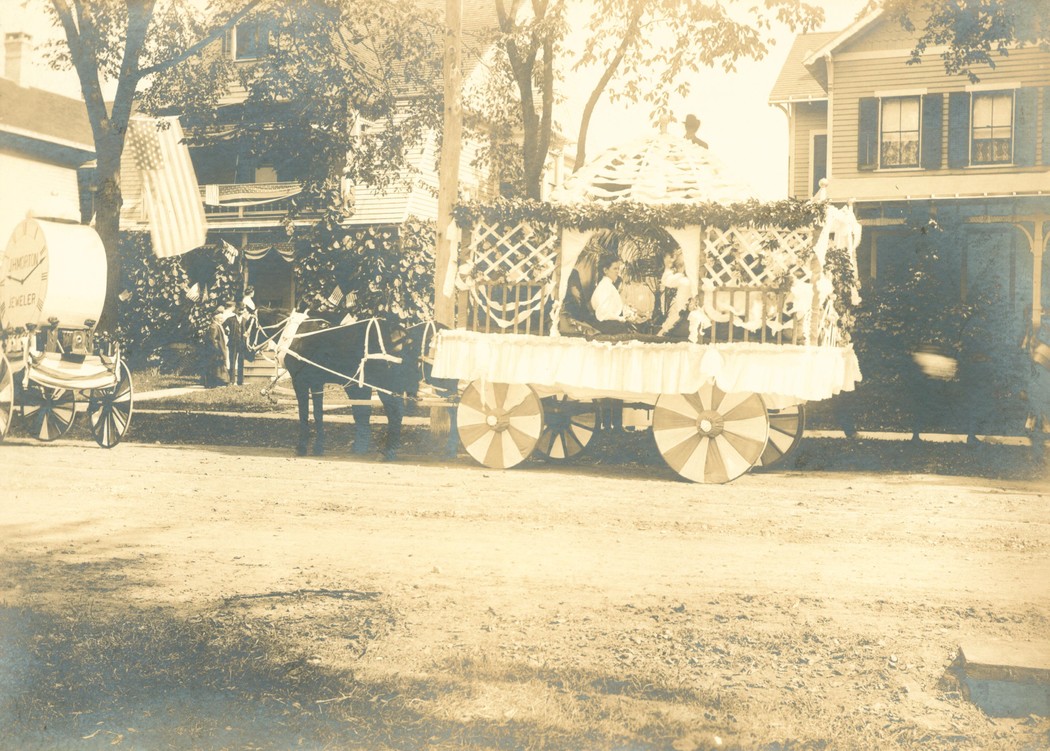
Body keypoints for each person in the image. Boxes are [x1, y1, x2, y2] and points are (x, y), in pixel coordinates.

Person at [590, 256, 639, 335]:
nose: (617, 272)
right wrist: (620, 319)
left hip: (611, 323)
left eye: (618, 269)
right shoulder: (605, 286)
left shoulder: (608, 285)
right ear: (605, 270)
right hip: (607, 325)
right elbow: (602, 314)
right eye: (615, 269)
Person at [658, 249, 691, 337]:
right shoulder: (686, 279)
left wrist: (668, 266)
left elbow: (666, 281)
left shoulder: (684, 280)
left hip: (681, 317)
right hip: (685, 315)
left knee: (664, 334)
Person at [203, 307, 229, 388]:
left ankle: (216, 383)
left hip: (219, 349)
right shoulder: (214, 326)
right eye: (220, 318)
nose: (222, 320)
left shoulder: (218, 326)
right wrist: (217, 350)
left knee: (217, 366)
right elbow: (213, 340)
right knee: (214, 366)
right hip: (215, 351)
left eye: (222, 318)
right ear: (215, 318)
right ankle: (213, 383)